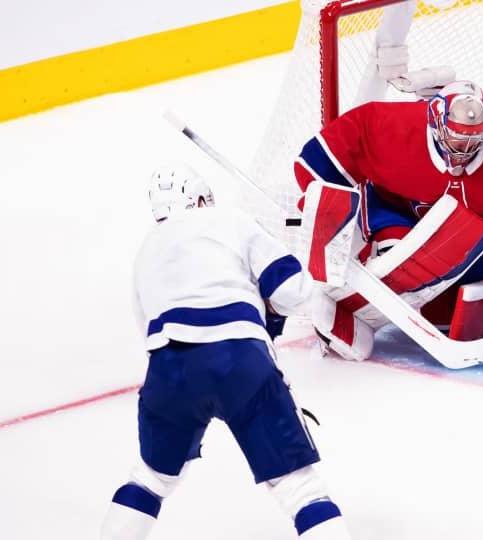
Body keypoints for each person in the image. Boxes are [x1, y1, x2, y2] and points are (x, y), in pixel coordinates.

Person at [101, 164, 352, 540]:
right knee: (300, 490)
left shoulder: (146, 251)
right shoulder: (231, 220)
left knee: (150, 479)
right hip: (240, 361)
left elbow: (147, 329)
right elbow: (292, 291)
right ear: (201, 199)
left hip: (168, 370)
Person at [294, 80, 483, 361]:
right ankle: (352, 310)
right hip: (395, 214)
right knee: (400, 261)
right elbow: (314, 162)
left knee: (449, 320)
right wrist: (328, 214)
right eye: (456, 141)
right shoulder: (389, 126)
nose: (463, 152)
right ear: (435, 123)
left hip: (466, 241)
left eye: (473, 142)